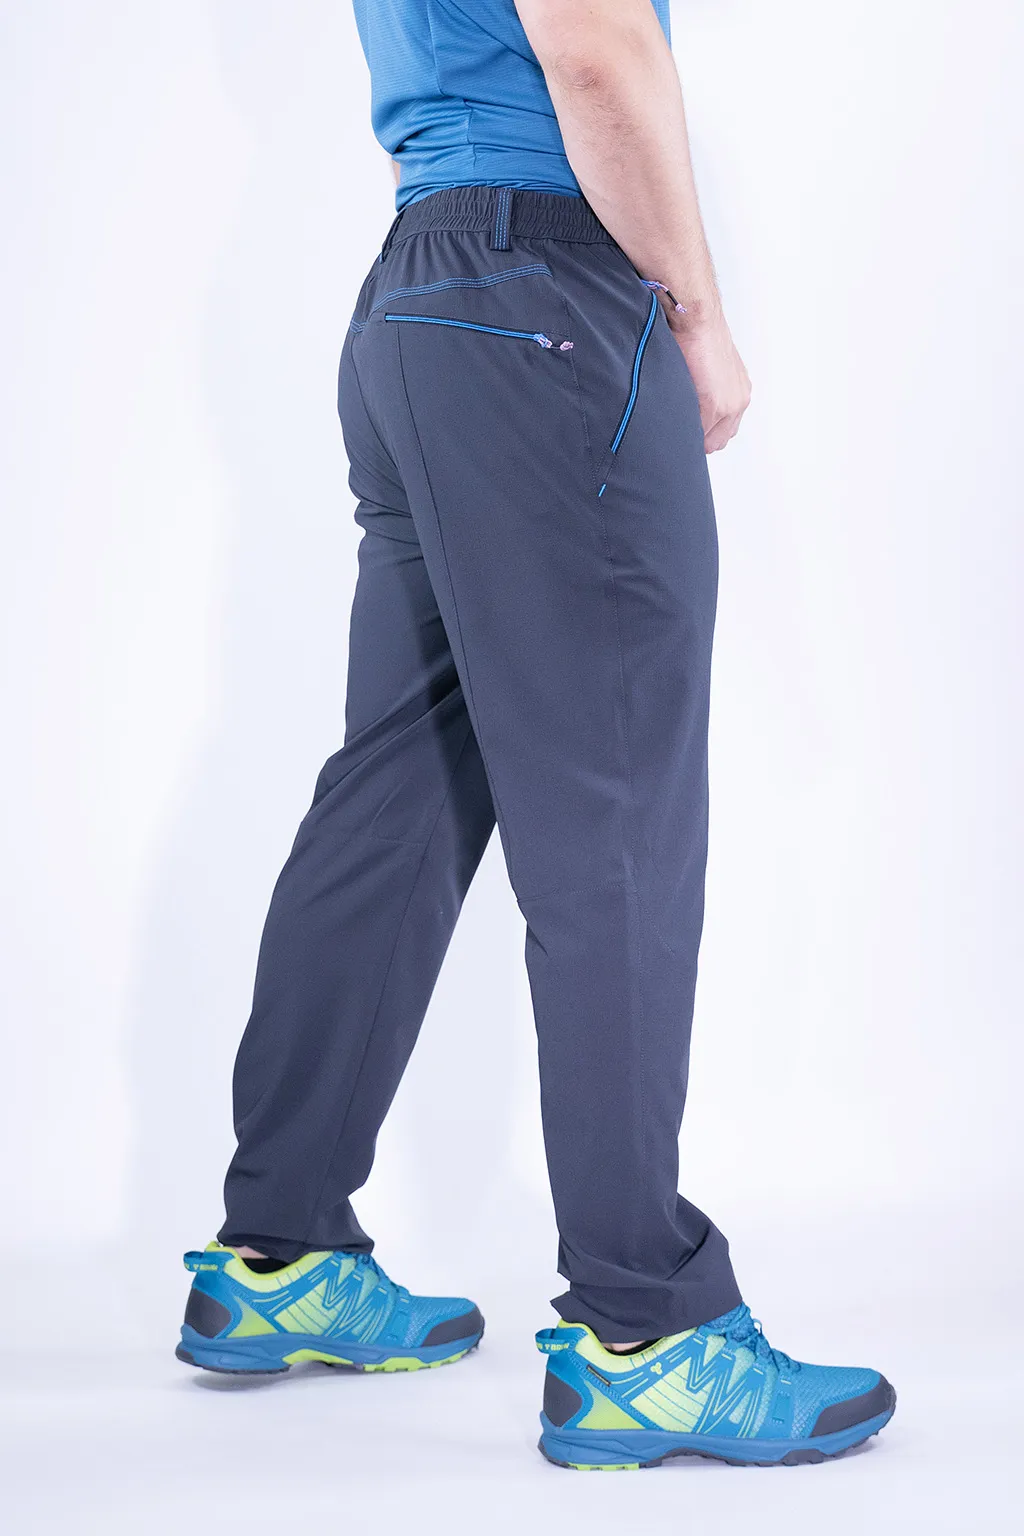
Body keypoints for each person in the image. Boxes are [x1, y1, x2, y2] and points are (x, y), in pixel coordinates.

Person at [177, 0, 895, 1469]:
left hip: (419, 297)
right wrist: (696, 313)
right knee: (614, 810)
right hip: (545, 297)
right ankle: (649, 1335)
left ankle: (280, 1255)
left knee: (401, 791)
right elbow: (593, 48)